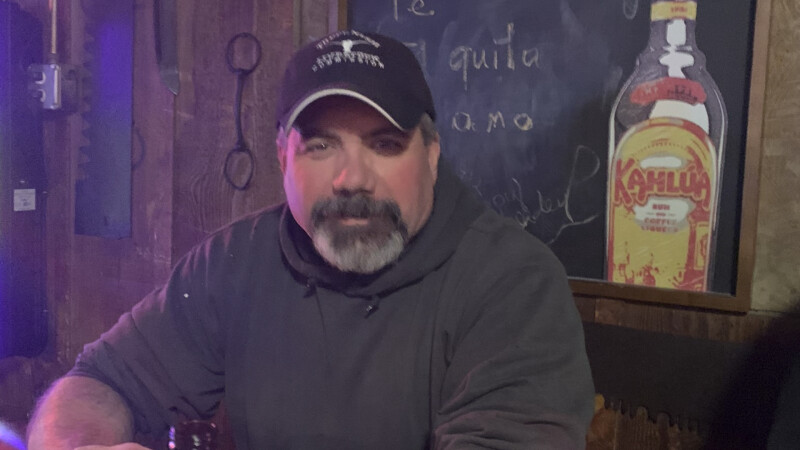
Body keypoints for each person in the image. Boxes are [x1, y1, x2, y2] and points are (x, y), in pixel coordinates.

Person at [27, 30, 594, 449]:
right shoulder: (234, 263)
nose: (352, 178)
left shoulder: (513, 283)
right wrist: (80, 444)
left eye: (384, 144)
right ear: (282, 157)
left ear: (432, 154)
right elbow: (96, 384)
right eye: (321, 146)